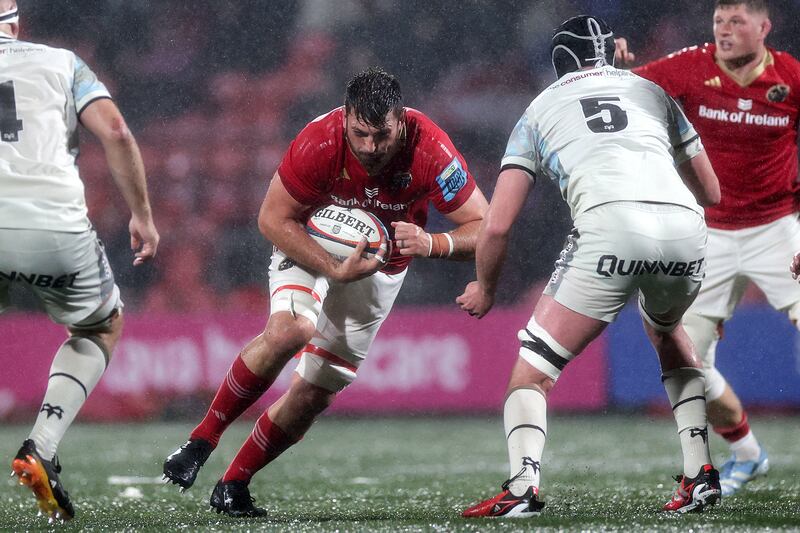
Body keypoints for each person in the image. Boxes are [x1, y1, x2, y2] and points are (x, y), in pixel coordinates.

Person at [162, 66, 488, 517]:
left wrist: (436, 243)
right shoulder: (319, 139)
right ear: (346, 119)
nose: (371, 148)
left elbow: (486, 226)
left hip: (381, 269)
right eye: (361, 135)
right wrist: (334, 267)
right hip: (312, 245)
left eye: (382, 136)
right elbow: (272, 219)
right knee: (290, 331)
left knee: (315, 392)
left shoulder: (430, 146)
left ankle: (233, 484)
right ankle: (201, 440)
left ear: (401, 121)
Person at [457, 15, 722, 517]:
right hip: (686, 229)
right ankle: (701, 473)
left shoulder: (540, 108)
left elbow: (495, 225)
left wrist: (486, 287)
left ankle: (522, 488)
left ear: (558, 63)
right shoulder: (652, 91)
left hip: (610, 229)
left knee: (531, 376)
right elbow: (711, 192)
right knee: (667, 331)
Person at [614, 0, 800, 496]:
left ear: (765, 27)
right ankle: (747, 453)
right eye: (719, 21)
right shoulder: (690, 66)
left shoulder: (792, 78)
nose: (724, 30)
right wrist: (615, 62)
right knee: (684, 359)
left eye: (737, 21)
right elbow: (626, 86)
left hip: (778, 228)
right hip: (708, 233)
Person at [0, 1, 159, 523]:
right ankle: (40, 445)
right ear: (16, 23)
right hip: (54, 227)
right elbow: (115, 132)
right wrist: (141, 215)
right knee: (100, 327)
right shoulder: (63, 62)